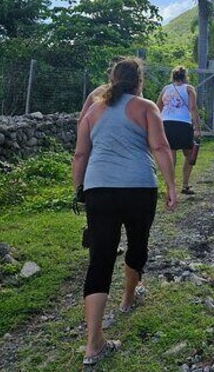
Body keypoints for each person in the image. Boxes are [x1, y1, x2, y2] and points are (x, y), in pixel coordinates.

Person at [72, 58, 178, 366]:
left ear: (112, 80)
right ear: (139, 82)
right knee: (137, 244)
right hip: (138, 188)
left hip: (98, 190)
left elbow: (80, 153)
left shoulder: (92, 111)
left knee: (100, 259)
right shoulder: (146, 108)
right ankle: (128, 299)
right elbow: (160, 148)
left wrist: (78, 190)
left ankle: (93, 345)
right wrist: (171, 186)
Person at [157, 66, 201, 195]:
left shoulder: (166, 89)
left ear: (173, 76)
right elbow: (193, 108)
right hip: (183, 124)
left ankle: (170, 186)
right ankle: (185, 184)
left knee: (171, 156)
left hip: (166, 124)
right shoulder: (189, 89)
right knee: (189, 154)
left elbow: (158, 106)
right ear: (185, 76)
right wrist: (197, 128)